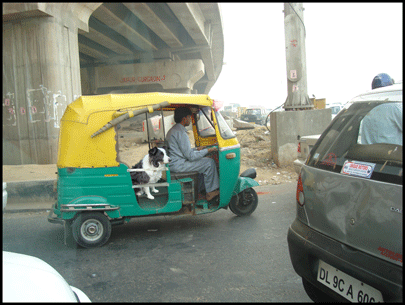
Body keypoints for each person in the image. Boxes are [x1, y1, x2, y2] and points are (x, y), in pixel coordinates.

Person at [166, 107, 219, 203]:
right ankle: (210, 192)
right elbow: (191, 156)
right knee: (209, 163)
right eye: (189, 118)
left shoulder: (173, 130)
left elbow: (182, 151)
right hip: (179, 165)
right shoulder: (181, 133)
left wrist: (198, 149)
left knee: (204, 160)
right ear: (184, 119)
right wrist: (208, 150)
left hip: (175, 163)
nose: (190, 120)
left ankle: (202, 189)